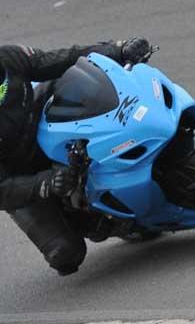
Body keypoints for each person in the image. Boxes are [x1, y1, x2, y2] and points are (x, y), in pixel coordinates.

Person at [0, 38, 151, 276]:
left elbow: (63, 58)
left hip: (41, 123)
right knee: (65, 255)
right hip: (21, 175)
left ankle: (139, 140)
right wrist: (45, 183)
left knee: (83, 80)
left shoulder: (8, 57)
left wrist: (117, 50)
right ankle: (92, 221)